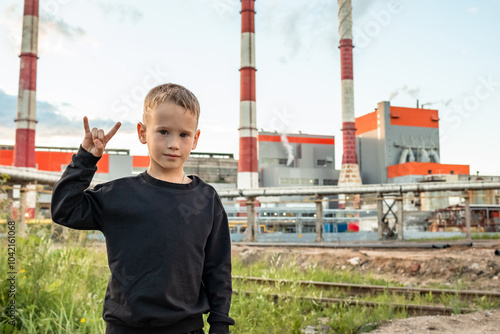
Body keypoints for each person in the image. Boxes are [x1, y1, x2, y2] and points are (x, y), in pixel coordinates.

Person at [51, 83, 235, 334]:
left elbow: (218, 268)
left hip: (186, 329)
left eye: (184, 135)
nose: (173, 144)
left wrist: (220, 322)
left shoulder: (206, 199)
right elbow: (64, 209)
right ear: (142, 132)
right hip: (126, 328)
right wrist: (85, 159)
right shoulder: (118, 195)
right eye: (163, 132)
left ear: (196, 139)